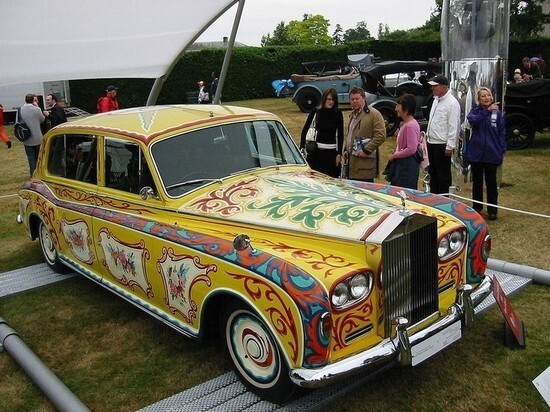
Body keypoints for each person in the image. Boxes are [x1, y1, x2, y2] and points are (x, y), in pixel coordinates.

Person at [465, 87, 506, 221]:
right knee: (477, 182)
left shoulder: (497, 113)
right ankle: (477, 207)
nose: (486, 98)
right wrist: (486, 112)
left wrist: (501, 149)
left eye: (488, 95)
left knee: (491, 183)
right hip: (476, 153)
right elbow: (473, 121)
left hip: (492, 153)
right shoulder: (475, 111)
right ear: (479, 99)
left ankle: (492, 210)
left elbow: (502, 132)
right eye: (483, 96)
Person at [426, 75, 461, 195]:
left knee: (443, 174)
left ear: (443, 87)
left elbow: (453, 125)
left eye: (435, 86)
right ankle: (434, 195)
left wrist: (450, 146)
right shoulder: (436, 100)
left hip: (441, 143)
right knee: (432, 171)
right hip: (431, 141)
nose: (433, 89)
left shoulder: (452, 103)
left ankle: (443, 196)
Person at [343, 86, 386, 183]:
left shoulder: (374, 114)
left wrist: (366, 150)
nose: (354, 101)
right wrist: (346, 149)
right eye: (352, 99)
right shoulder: (352, 115)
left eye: (357, 99)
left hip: (365, 165)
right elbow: (350, 134)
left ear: (363, 98)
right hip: (351, 163)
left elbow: (381, 136)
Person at [299, 88, 344, 178]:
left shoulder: (338, 113)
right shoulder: (315, 112)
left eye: (333, 100)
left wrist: (339, 154)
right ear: (324, 99)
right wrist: (302, 147)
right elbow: (305, 130)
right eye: (329, 99)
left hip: (331, 154)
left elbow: (340, 134)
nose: (331, 102)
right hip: (316, 153)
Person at [387, 94, 421, 189]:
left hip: (406, 167)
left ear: (406, 108)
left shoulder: (410, 126)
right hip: (402, 165)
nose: (396, 108)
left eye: (398, 106)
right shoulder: (407, 124)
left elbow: (411, 149)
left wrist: (394, 156)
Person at [20, 94, 45, 175]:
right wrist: (37, 107)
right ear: (33, 101)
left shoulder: (21, 109)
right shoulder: (37, 109)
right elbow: (42, 119)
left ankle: (33, 173)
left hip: (27, 137)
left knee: (30, 157)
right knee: (39, 157)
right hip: (37, 137)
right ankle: (40, 172)